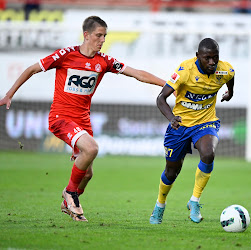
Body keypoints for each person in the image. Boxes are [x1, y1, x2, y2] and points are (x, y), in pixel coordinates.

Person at [0, 16, 165, 222]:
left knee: (87, 175)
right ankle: (70, 193)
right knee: (92, 149)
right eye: (98, 35)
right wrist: (9, 94)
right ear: (86, 35)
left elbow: (137, 73)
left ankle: (68, 203)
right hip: (61, 118)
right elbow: (32, 69)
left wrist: (168, 86)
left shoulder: (104, 61)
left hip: (83, 121)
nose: (102, 39)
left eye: (105, 36)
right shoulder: (65, 55)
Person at [149, 38, 235, 224]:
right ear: (198, 56)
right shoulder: (184, 71)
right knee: (171, 172)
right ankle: (160, 205)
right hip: (180, 125)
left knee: (208, 154)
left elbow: (231, 77)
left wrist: (230, 92)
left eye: (215, 58)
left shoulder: (225, 69)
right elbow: (160, 98)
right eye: (207, 58)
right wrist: (171, 118)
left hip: (205, 122)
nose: (212, 62)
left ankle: (194, 200)